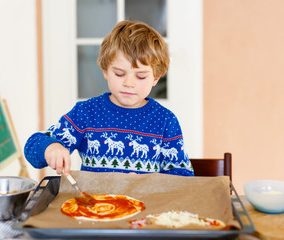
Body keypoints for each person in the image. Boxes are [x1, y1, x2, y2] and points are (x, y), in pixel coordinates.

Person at [24, 20, 194, 177]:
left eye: (141, 76)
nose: (129, 83)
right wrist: (50, 147)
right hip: (96, 207)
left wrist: (149, 182)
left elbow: (183, 175)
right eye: (119, 73)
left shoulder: (165, 120)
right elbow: (32, 146)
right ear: (105, 70)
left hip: (147, 208)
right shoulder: (86, 113)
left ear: (156, 77)